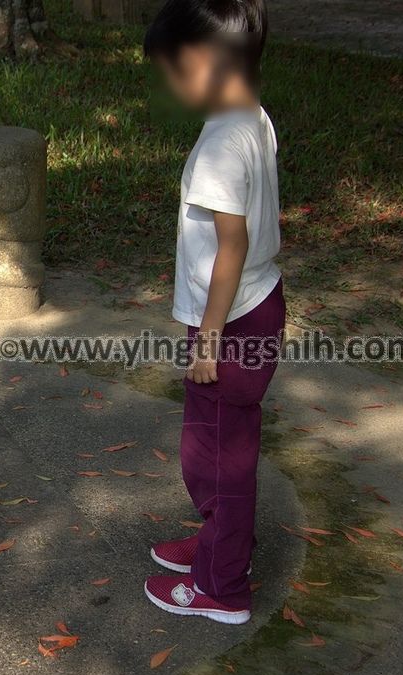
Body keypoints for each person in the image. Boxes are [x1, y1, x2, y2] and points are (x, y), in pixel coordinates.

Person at [141, 0, 287, 624]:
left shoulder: (221, 147)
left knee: (218, 461)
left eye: (174, 71)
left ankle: (222, 588)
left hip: (229, 324)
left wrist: (208, 341)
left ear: (204, 63)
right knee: (214, 449)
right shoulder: (250, 117)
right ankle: (222, 542)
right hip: (254, 306)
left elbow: (232, 245)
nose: (171, 86)